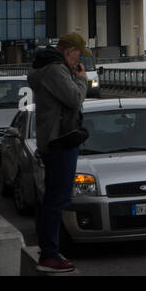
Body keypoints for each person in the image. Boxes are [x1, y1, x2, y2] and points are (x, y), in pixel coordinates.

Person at [28, 31, 90, 273]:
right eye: (77, 55)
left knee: (53, 197)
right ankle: (50, 254)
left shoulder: (47, 69)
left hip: (53, 140)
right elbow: (74, 99)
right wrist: (81, 79)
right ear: (68, 50)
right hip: (60, 141)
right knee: (59, 198)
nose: (78, 60)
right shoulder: (55, 70)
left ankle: (49, 250)